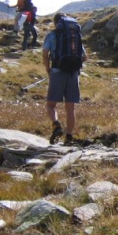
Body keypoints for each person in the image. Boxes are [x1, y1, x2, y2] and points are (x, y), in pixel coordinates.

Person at [42, 13, 85, 144]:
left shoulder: (52, 35)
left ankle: (56, 125)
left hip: (57, 71)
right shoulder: (74, 36)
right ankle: (69, 136)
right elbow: (84, 57)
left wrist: (48, 69)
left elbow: (45, 54)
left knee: (51, 105)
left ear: (56, 23)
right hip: (73, 73)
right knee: (70, 107)